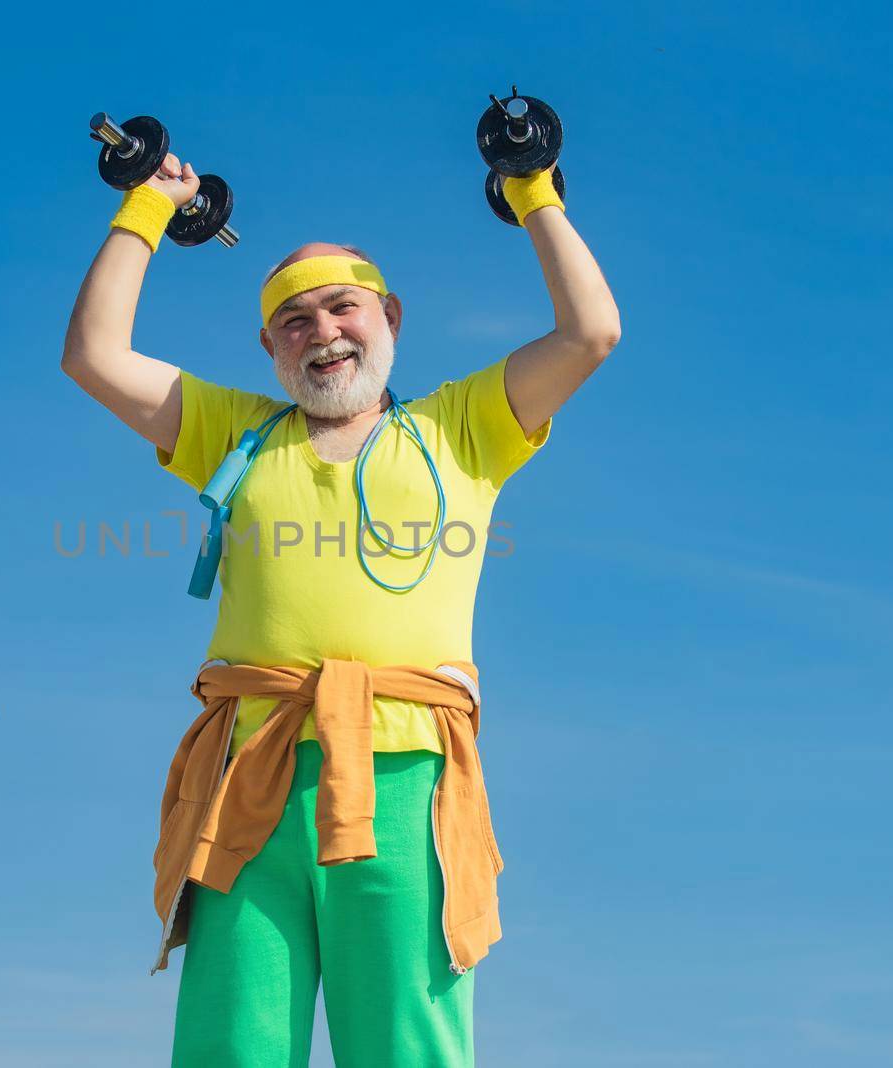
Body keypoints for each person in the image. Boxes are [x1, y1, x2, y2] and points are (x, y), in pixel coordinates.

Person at [62, 150, 619, 1067]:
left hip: (405, 772)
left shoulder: (465, 426)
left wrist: (532, 191)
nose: (319, 330)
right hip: (252, 773)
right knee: (230, 1045)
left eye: (340, 306)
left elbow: (591, 330)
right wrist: (148, 206)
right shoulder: (231, 435)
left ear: (388, 318)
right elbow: (92, 356)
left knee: (407, 1044)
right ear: (269, 350)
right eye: (291, 319)